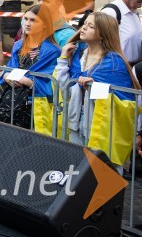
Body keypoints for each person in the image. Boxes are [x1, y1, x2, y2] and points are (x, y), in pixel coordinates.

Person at [56, 12, 140, 167]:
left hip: (100, 127)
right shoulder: (78, 55)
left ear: (102, 34)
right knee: (78, 172)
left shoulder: (114, 62)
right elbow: (65, 89)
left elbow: (122, 99)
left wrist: (95, 87)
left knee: (104, 172)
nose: (83, 28)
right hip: (76, 123)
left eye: (91, 26)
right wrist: (62, 58)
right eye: (85, 24)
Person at [0, 4, 66, 131]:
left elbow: (51, 82)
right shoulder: (18, 45)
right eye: (26, 19)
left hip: (35, 108)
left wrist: (28, 81)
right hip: (10, 104)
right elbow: (10, 69)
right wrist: (6, 75)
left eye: (33, 20)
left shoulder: (52, 51)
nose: (28, 23)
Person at [101, 0, 142, 67]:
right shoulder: (110, 12)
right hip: (118, 69)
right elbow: (99, 44)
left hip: (134, 68)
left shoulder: (134, 12)